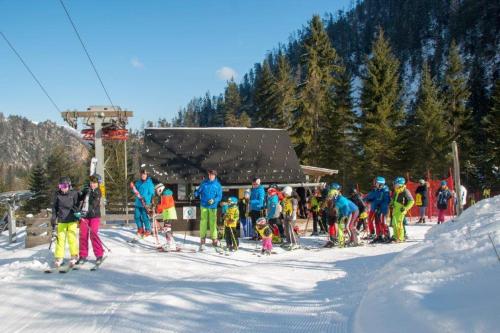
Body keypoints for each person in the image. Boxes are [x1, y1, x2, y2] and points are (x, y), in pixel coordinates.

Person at [51, 176, 80, 268]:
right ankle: (59, 258)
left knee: (71, 238)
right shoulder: (57, 195)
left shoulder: (74, 193)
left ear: (69, 185)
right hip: (61, 220)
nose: (63, 188)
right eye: (61, 186)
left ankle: (74, 255)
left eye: (65, 186)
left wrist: (77, 212)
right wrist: (53, 217)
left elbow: (77, 205)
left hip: (72, 219)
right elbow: (54, 208)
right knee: (60, 239)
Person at [77, 175, 104, 266]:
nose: (92, 185)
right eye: (91, 183)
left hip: (94, 216)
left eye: (95, 183)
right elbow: (79, 199)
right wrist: (81, 192)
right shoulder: (87, 190)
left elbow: (94, 204)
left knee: (93, 234)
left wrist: (90, 191)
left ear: (98, 184)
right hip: (84, 216)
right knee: (83, 235)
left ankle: (99, 254)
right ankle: (83, 255)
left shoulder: (98, 191)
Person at [194, 169, 222, 251]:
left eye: (212, 175)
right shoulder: (204, 183)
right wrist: (195, 193)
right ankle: (202, 240)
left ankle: (214, 239)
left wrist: (214, 200)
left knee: (213, 223)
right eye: (209, 175)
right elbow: (199, 191)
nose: (210, 176)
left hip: (213, 207)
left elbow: (219, 196)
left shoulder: (218, 185)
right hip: (204, 206)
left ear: (215, 175)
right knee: (203, 222)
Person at [364, 176, 391, 243]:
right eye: (375, 183)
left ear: (380, 184)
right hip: (375, 209)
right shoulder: (376, 190)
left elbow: (386, 201)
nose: (375, 184)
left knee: (383, 222)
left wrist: (380, 206)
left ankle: (386, 235)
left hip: (383, 210)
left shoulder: (385, 191)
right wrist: (367, 199)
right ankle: (379, 236)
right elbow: (370, 196)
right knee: (377, 223)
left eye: (376, 183)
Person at [155, 183, 179, 252]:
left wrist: (158, 207)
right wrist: (157, 210)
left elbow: (167, 205)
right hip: (167, 214)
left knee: (167, 229)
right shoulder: (164, 195)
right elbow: (163, 206)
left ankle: (171, 245)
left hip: (169, 214)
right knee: (167, 229)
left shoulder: (166, 194)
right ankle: (171, 243)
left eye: (157, 190)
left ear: (160, 189)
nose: (157, 192)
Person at [390, 177, 414, 242]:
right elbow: (393, 199)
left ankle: (400, 237)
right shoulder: (396, 191)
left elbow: (411, 201)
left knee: (399, 223)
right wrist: (391, 203)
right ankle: (395, 236)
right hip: (395, 209)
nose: (394, 185)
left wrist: (405, 208)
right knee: (394, 223)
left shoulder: (405, 191)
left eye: (396, 184)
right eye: (395, 184)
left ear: (400, 184)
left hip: (401, 209)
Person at [132, 169, 155, 238]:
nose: (143, 175)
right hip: (138, 202)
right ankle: (140, 228)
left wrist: (150, 203)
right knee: (137, 216)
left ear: (147, 175)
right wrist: (132, 187)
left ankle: (148, 230)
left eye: (144, 174)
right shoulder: (138, 182)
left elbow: (152, 194)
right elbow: (135, 190)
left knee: (145, 217)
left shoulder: (149, 183)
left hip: (145, 203)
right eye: (142, 174)